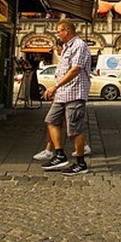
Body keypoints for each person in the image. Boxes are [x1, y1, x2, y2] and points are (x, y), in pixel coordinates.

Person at [40, 19, 92, 175]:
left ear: (67, 30)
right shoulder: (67, 47)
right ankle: (60, 155)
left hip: (75, 92)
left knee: (75, 128)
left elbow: (75, 69)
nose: (57, 34)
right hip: (63, 93)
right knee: (51, 121)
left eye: (59, 31)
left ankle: (80, 163)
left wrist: (55, 86)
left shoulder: (79, 46)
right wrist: (57, 89)